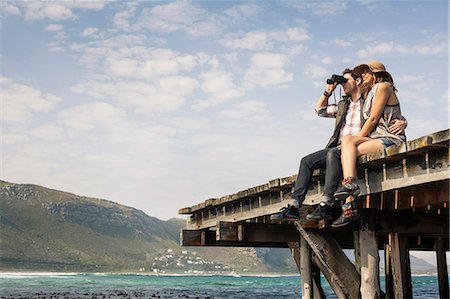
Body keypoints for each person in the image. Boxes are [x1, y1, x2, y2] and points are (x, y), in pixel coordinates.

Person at [270, 67, 407, 221]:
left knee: (332, 153)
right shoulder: (343, 105)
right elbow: (319, 110)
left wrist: (403, 122)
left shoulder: (367, 99)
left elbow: (385, 114)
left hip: (357, 143)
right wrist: (328, 91)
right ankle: (294, 206)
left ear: (358, 81)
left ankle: (326, 205)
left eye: (345, 81)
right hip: (340, 145)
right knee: (306, 161)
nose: (342, 84)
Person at [331, 61, 406, 227]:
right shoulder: (370, 92)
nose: (362, 75)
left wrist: (403, 122)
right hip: (376, 139)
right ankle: (349, 203)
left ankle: (350, 191)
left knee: (348, 143)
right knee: (348, 150)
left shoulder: (384, 86)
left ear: (376, 74)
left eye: (366, 72)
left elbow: (373, 118)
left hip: (389, 139)